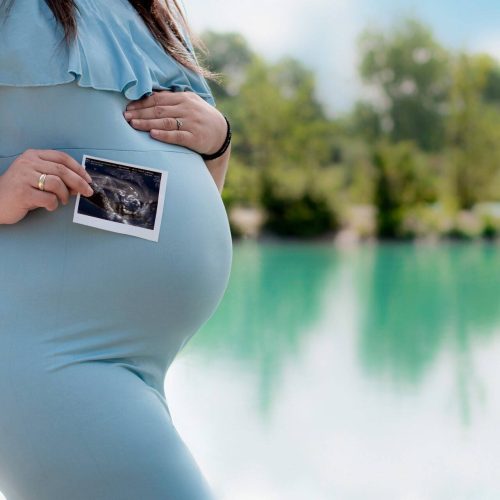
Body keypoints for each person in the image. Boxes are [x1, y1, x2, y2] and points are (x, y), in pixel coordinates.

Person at [0, 0, 233, 498]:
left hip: (140, 358)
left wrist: (217, 141)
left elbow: (194, 191)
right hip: (52, 343)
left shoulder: (148, 10)